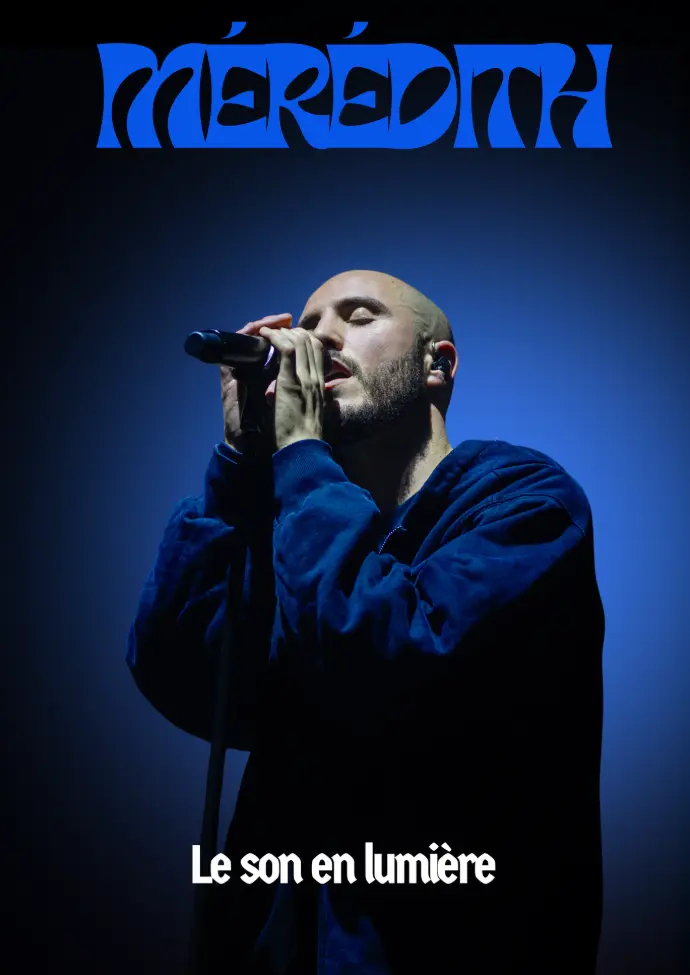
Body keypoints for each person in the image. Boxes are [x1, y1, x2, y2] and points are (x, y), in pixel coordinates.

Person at [127, 269, 605, 974]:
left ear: (437, 364)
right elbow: (183, 670)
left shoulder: (524, 504)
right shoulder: (301, 538)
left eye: (357, 316)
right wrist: (239, 463)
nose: (319, 338)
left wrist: (301, 456)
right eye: (309, 324)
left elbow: (385, 652)